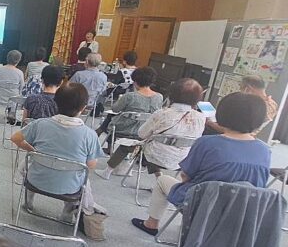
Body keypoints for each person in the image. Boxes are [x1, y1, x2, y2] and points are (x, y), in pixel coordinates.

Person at [131, 92, 271, 235]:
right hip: (241, 210)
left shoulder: (207, 143)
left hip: (202, 204)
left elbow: (185, 176)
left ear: (223, 114)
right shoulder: (265, 150)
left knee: (162, 180)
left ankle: (151, 224)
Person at [10, 83, 104, 220]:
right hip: (70, 187)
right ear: (84, 108)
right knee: (81, 176)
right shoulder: (90, 135)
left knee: (27, 165)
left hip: (36, 180)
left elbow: (15, 138)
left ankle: (28, 202)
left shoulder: (40, 124)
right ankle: (67, 212)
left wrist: (33, 151)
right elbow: (90, 165)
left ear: (56, 102)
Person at [96, 78, 205, 180]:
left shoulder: (162, 114)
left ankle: (108, 171)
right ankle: (159, 178)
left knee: (133, 143)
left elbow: (142, 134)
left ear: (172, 94)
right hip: (182, 159)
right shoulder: (201, 117)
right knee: (154, 144)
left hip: (156, 155)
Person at [95, 66, 163, 139]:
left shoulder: (129, 96)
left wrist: (120, 99)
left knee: (111, 116)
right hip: (145, 130)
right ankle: (100, 132)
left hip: (124, 129)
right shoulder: (159, 97)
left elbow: (115, 109)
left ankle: (103, 136)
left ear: (135, 81)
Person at [205, 75, 278, 136]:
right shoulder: (272, 104)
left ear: (248, 88)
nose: (240, 91)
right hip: (249, 137)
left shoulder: (252, 106)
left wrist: (210, 123)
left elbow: (232, 131)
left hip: (236, 136)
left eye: (241, 88)